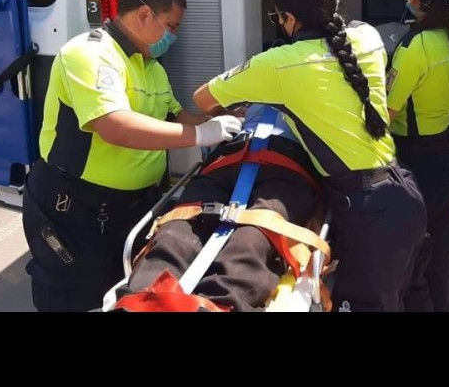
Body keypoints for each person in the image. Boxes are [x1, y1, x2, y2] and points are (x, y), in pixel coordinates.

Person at [192, 0, 427, 312]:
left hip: (367, 211)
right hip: (403, 193)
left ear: (288, 18)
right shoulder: (366, 37)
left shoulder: (279, 63)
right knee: (409, 297)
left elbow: (203, 99)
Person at [22, 0, 242, 312]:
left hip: (133, 207)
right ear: (144, 15)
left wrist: (225, 123)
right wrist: (202, 134)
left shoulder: (150, 67)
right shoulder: (91, 54)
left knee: (126, 291)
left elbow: (175, 117)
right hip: (76, 210)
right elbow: (115, 126)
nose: (173, 36)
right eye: (171, 26)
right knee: (75, 296)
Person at [117, 104, 322, 312]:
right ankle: (141, 300)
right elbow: (206, 103)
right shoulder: (241, 93)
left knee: (252, 238)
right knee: (177, 231)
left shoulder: (321, 98)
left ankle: (219, 304)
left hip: (289, 166)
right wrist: (224, 114)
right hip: (227, 158)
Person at [386, 0, 449, 312]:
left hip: (414, 157)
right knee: (439, 243)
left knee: (413, 247)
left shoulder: (414, 46)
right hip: (445, 152)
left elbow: (389, 109)